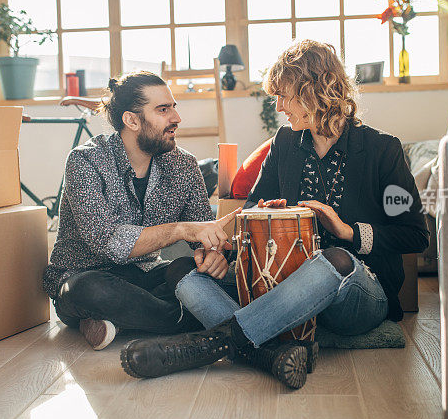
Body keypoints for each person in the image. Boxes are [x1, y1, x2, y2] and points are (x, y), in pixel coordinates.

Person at [120, 40, 429, 388]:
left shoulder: (382, 150)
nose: (278, 106)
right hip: (283, 285)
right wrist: (239, 235)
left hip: (355, 292)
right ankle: (266, 351)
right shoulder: (285, 143)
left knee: (337, 259)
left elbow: (415, 235)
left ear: (314, 90)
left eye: (284, 95)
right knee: (181, 269)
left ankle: (217, 342)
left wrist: (348, 232)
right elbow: (252, 207)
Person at [43, 71, 237, 351]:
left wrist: (213, 254)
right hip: (85, 276)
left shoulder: (184, 165)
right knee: (88, 289)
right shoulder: (85, 161)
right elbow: (106, 241)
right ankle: (204, 327)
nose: (176, 118)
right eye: (163, 110)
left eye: (173, 107)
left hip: (145, 275)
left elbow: (202, 234)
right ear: (131, 120)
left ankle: (119, 323)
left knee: (188, 269)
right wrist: (181, 229)